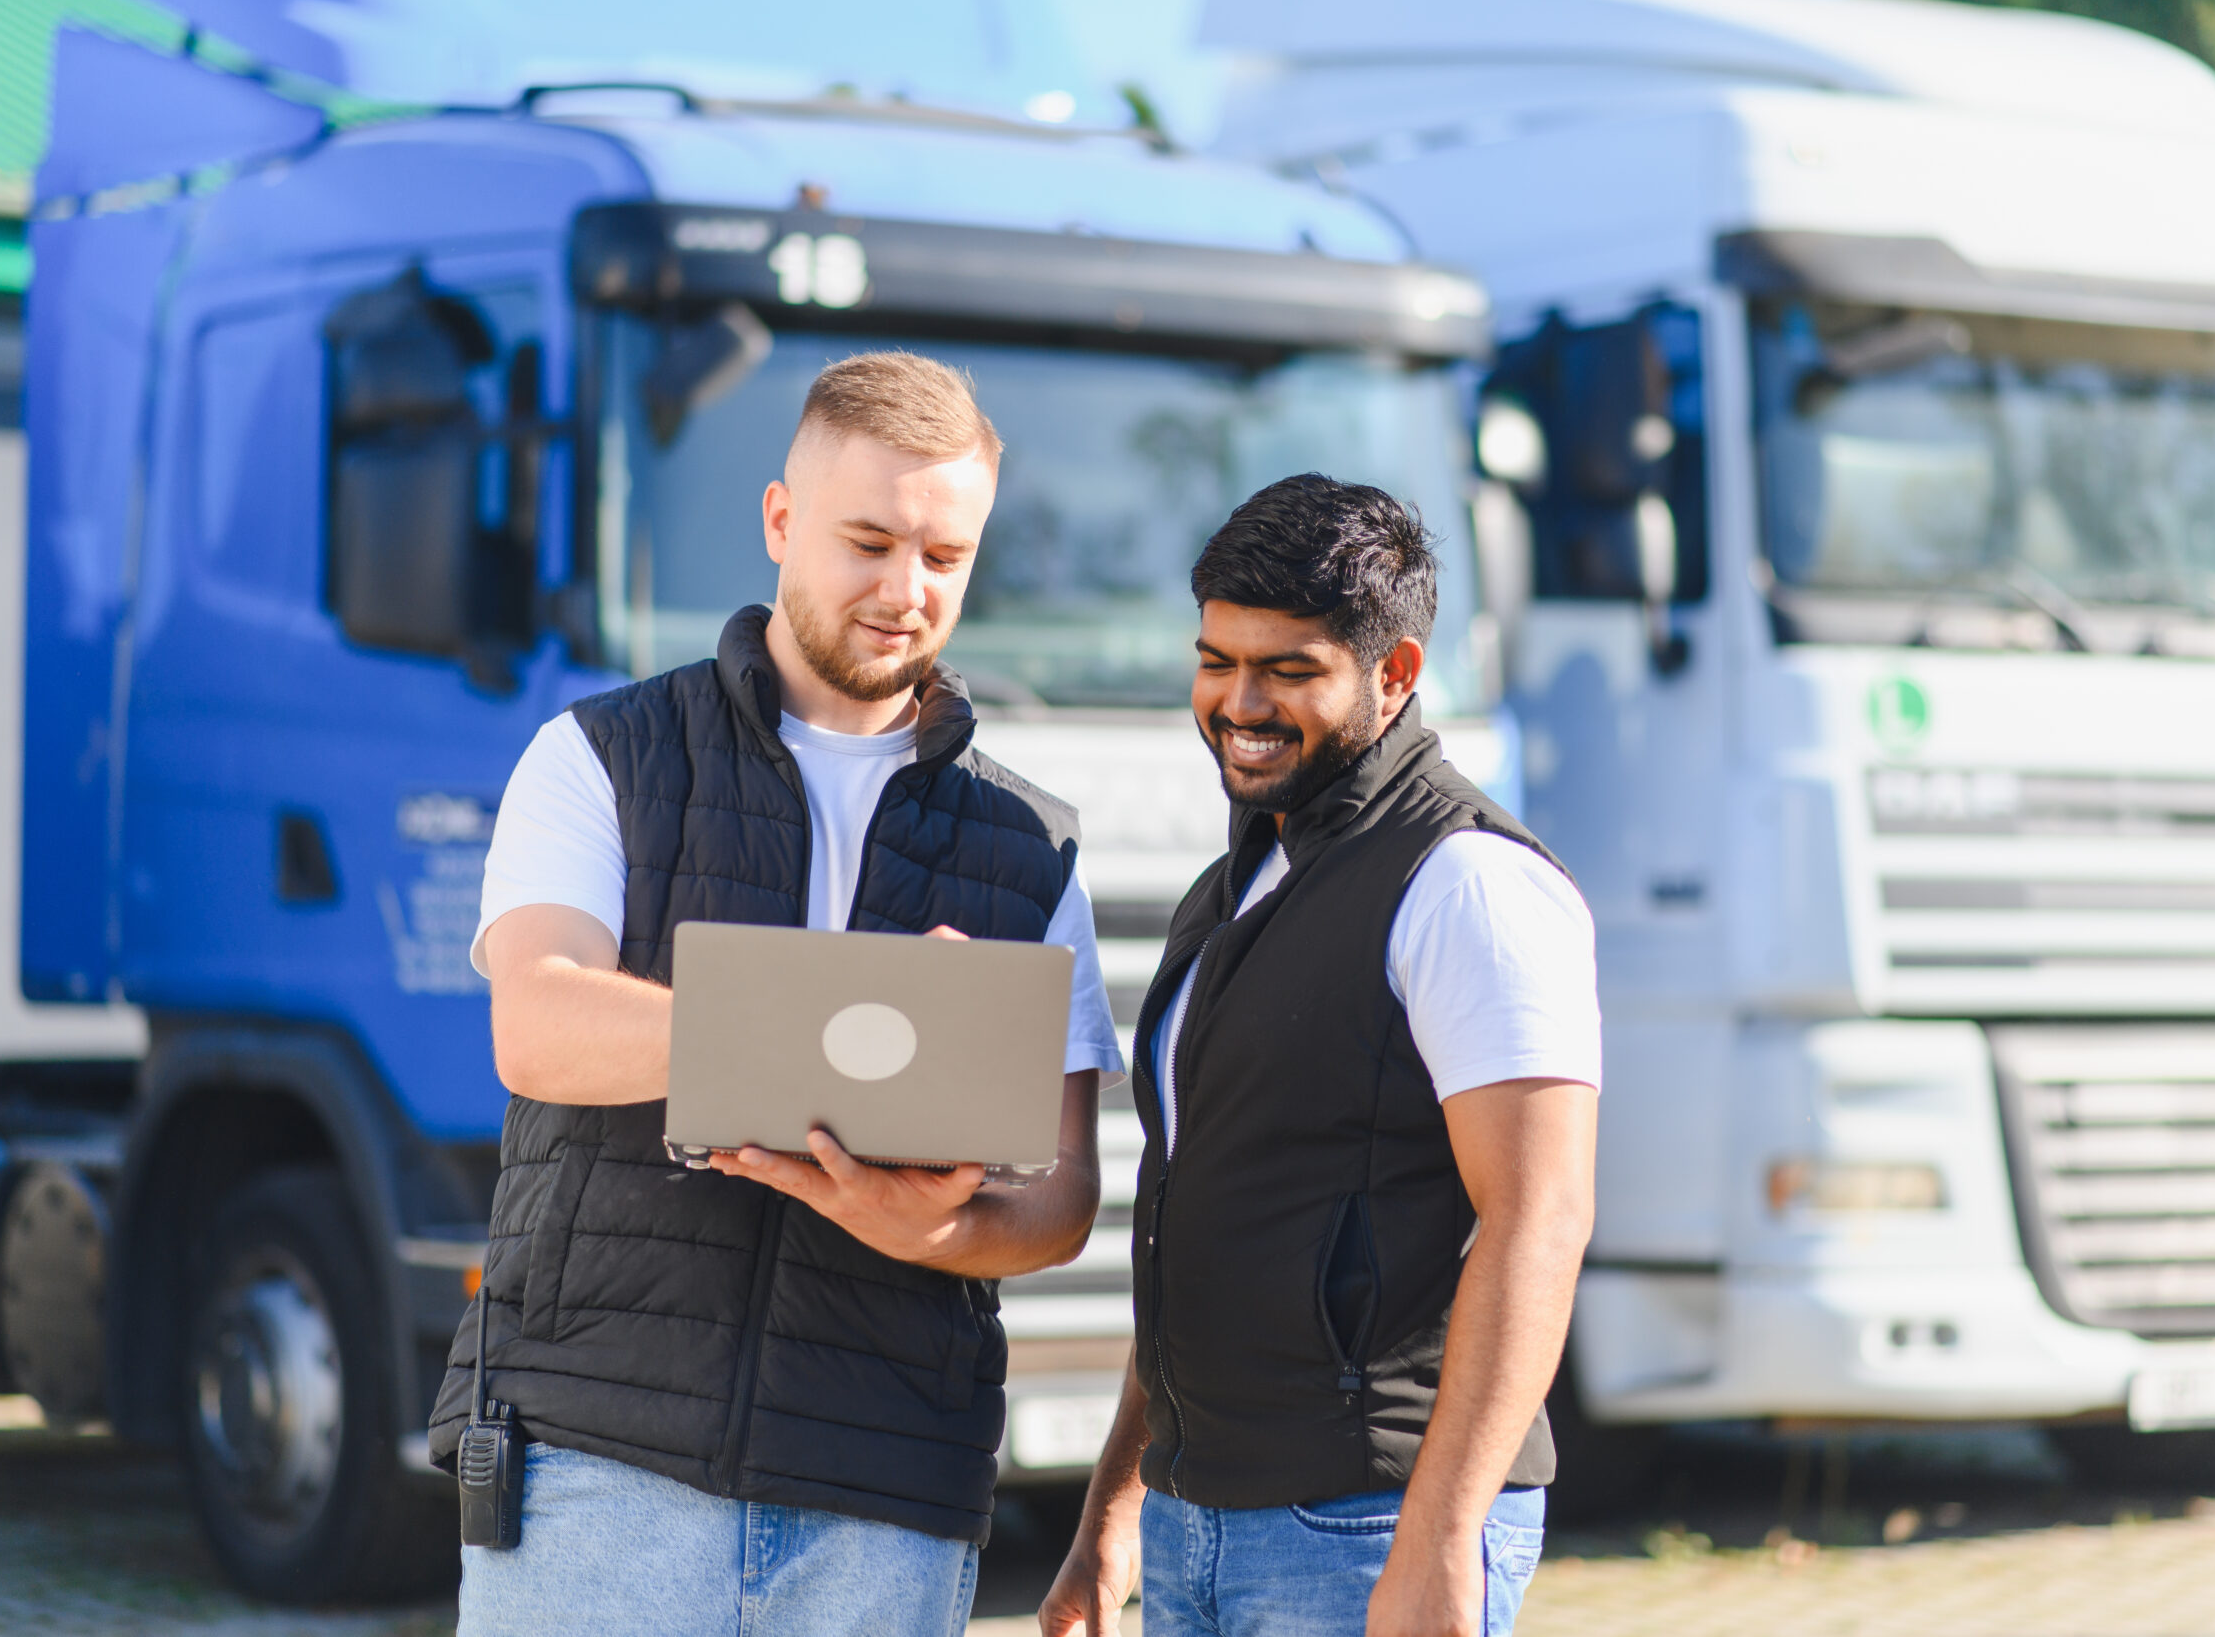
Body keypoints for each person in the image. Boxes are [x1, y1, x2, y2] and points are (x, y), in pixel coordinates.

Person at [428, 351, 1122, 1637]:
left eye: (944, 556)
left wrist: (931, 1230)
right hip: (596, 1458)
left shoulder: (1035, 845)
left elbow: (1064, 1195)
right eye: (868, 540)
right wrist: (838, 1028)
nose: (906, 591)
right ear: (780, 520)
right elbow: (538, 1024)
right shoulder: (599, 757)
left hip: (884, 1489)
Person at [1041, 476, 1601, 1637]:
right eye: (1215, 660)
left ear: (1394, 674)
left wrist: (1440, 1538)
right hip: (1204, 1517)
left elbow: (1538, 1215)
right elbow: (1199, 1211)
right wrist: (1113, 1516)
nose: (1237, 702)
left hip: (1363, 1525)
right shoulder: (1240, 879)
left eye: (1288, 670)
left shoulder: (1469, 884)